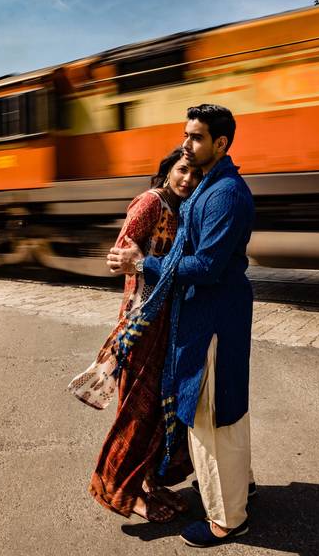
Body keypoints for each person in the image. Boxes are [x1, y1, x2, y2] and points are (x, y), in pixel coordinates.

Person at [107, 104, 255, 547]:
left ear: (220, 143)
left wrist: (144, 263)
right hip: (209, 316)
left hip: (211, 319)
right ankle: (241, 489)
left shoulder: (224, 194)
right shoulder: (210, 186)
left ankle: (227, 519)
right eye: (186, 136)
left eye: (195, 138)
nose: (186, 146)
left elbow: (206, 265)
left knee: (210, 416)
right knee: (223, 410)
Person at [86, 148, 201, 523]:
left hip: (169, 324)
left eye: (196, 175)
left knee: (158, 410)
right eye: (183, 170)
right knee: (136, 411)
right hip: (143, 322)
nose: (188, 179)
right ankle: (120, 490)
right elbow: (121, 254)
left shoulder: (181, 209)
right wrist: (137, 263)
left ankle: (147, 484)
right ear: (167, 170)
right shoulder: (150, 202)